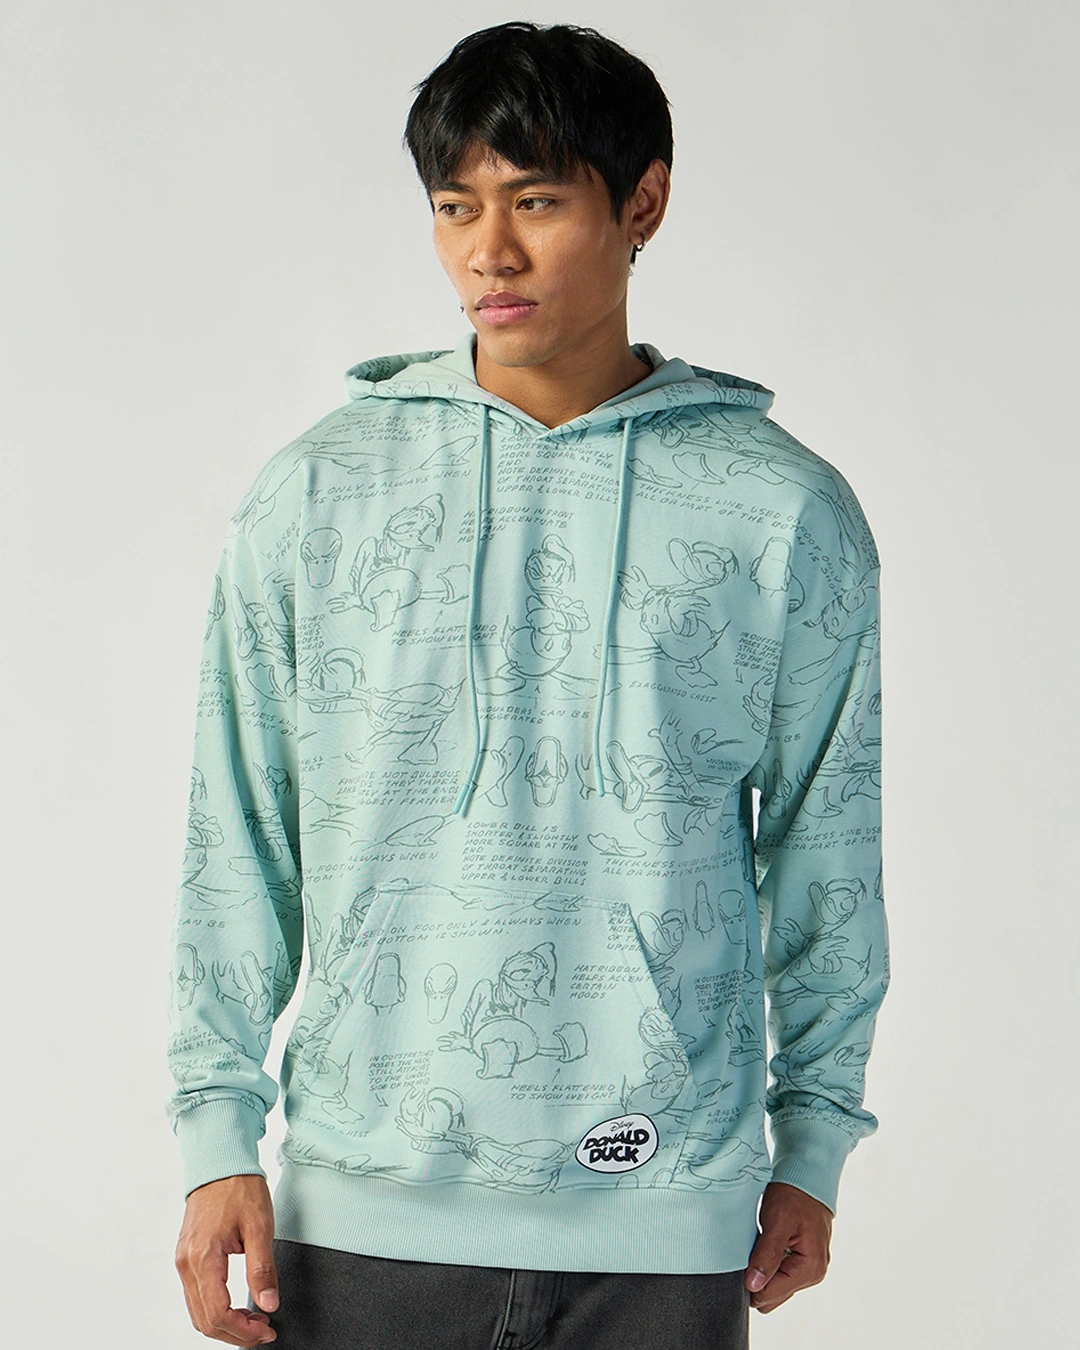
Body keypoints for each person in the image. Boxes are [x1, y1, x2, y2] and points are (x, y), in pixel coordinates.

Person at [166, 20, 888, 1350]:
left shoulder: (782, 510)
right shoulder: (317, 493)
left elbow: (826, 843)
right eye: (457, 207)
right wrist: (217, 1135)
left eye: (537, 202)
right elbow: (241, 827)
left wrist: (816, 1141)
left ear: (643, 203)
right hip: (363, 1214)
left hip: (665, 1215)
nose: (487, 252)